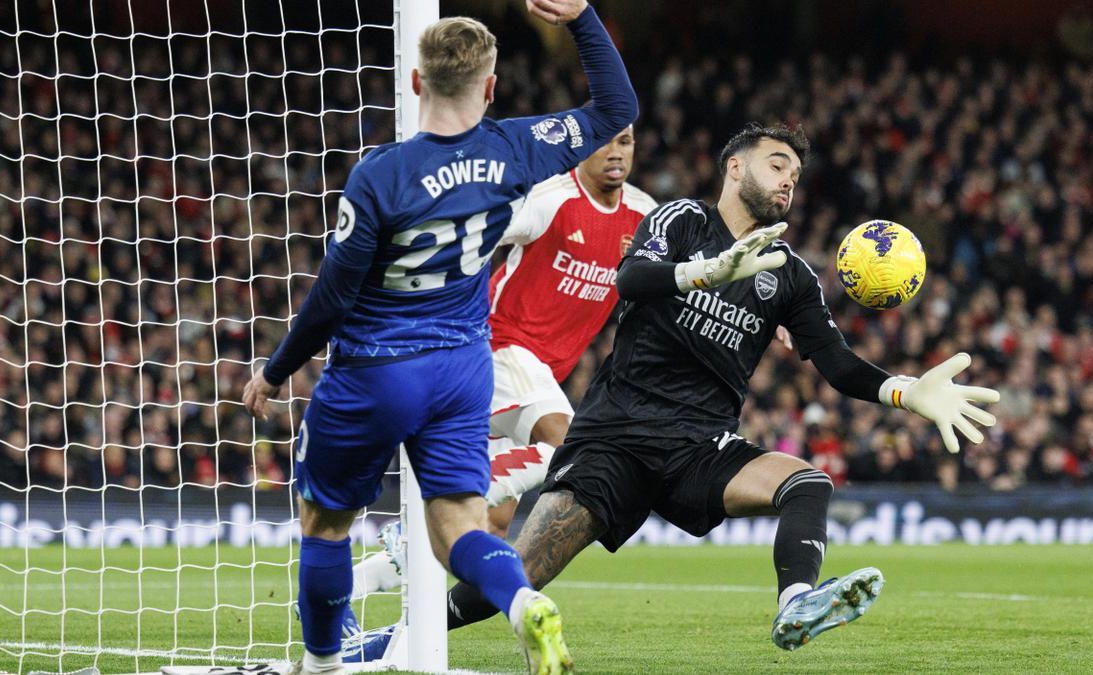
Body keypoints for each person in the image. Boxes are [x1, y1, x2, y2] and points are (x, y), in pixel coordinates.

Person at [439, 122, 1001, 651]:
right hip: (615, 438)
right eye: (777, 164)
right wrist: (708, 272)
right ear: (734, 167)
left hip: (699, 447)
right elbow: (630, 278)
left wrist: (905, 391)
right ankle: (396, 635)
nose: (787, 180)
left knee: (807, 483)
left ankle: (797, 604)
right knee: (515, 576)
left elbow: (837, 364)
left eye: (795, 176)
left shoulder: (789, 274)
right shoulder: (680, 220)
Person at [241, 0, 637, 672]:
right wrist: (582, 17)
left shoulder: (380, 174)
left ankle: (323, 665)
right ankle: (519, 603)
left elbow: (334, 296)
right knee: (456, 525)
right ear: (489, 87)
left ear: (418, 84)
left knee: (326, 522)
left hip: (376, 367)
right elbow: (614, 105)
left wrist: (276, 371)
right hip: (460, 369)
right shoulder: (514, 148)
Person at [340, 128, 656, 658]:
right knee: (576, 446)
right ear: (584, 147)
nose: (618, 151)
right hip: (498, 348)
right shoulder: (550, 200)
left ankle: (344, 594)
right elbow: (484, 225)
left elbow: (682, 269)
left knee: (488, 525)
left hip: (534, 374)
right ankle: (415, 520)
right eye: (606, 141)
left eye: (627, 141)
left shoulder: (644, 217)